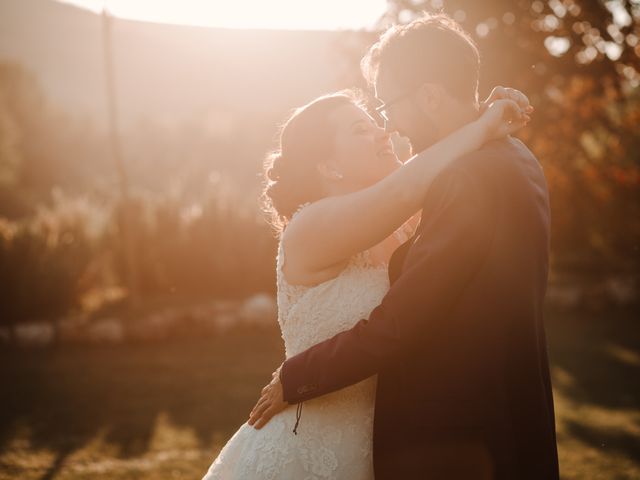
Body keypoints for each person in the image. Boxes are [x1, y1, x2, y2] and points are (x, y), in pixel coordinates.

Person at [247, 12, 559, 480]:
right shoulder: (511, 156)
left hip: (462, 434)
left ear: (429, 95)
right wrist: (483, 119)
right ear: (327, 165)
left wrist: (298, 376)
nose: (386, 128)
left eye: (384, 108)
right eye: (363, 127)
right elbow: (405, 186)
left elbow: (401, 322)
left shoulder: (465, 179)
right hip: (420, 432)